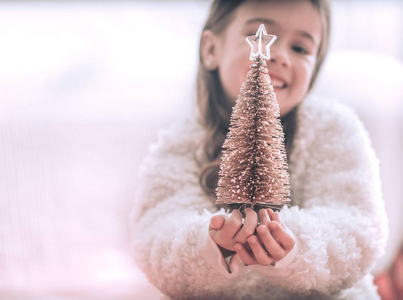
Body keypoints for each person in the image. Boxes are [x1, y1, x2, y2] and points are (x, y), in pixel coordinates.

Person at [130, 0, 388, 299]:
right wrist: (209, 242)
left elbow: (357, 228)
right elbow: (156, 236)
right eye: (260, 34)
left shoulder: (334, 130)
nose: (277, 55)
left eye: (300, 48)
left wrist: (295, 244)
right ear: (211, 49)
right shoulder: (181, 142)